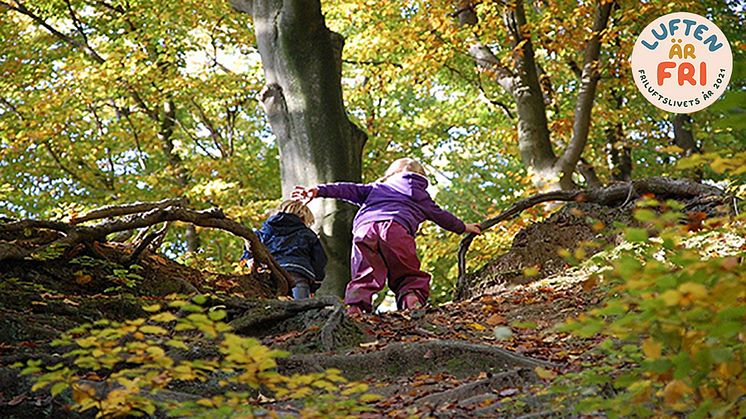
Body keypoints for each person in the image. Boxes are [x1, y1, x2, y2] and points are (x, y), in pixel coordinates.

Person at [292, 158, 480, 314]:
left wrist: (318, 190)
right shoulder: (421, 196)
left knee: (364, 274)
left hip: (365, 230)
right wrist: (464, 227)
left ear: (389, 174)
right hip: (397, 230)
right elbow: (442, 216)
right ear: (422, 177)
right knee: (407, 272)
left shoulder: (376, 188)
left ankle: (355, 308)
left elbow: (346, 189)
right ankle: (412, 300)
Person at [242, 200, 327, 299]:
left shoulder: (265, 231)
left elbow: (251, 248)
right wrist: (314, 284)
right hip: (298, 272)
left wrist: (251, 262)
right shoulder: (308, 234)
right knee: (302, 307)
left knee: (272, 304)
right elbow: (319, 260)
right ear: (304, 218)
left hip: (271, 271)